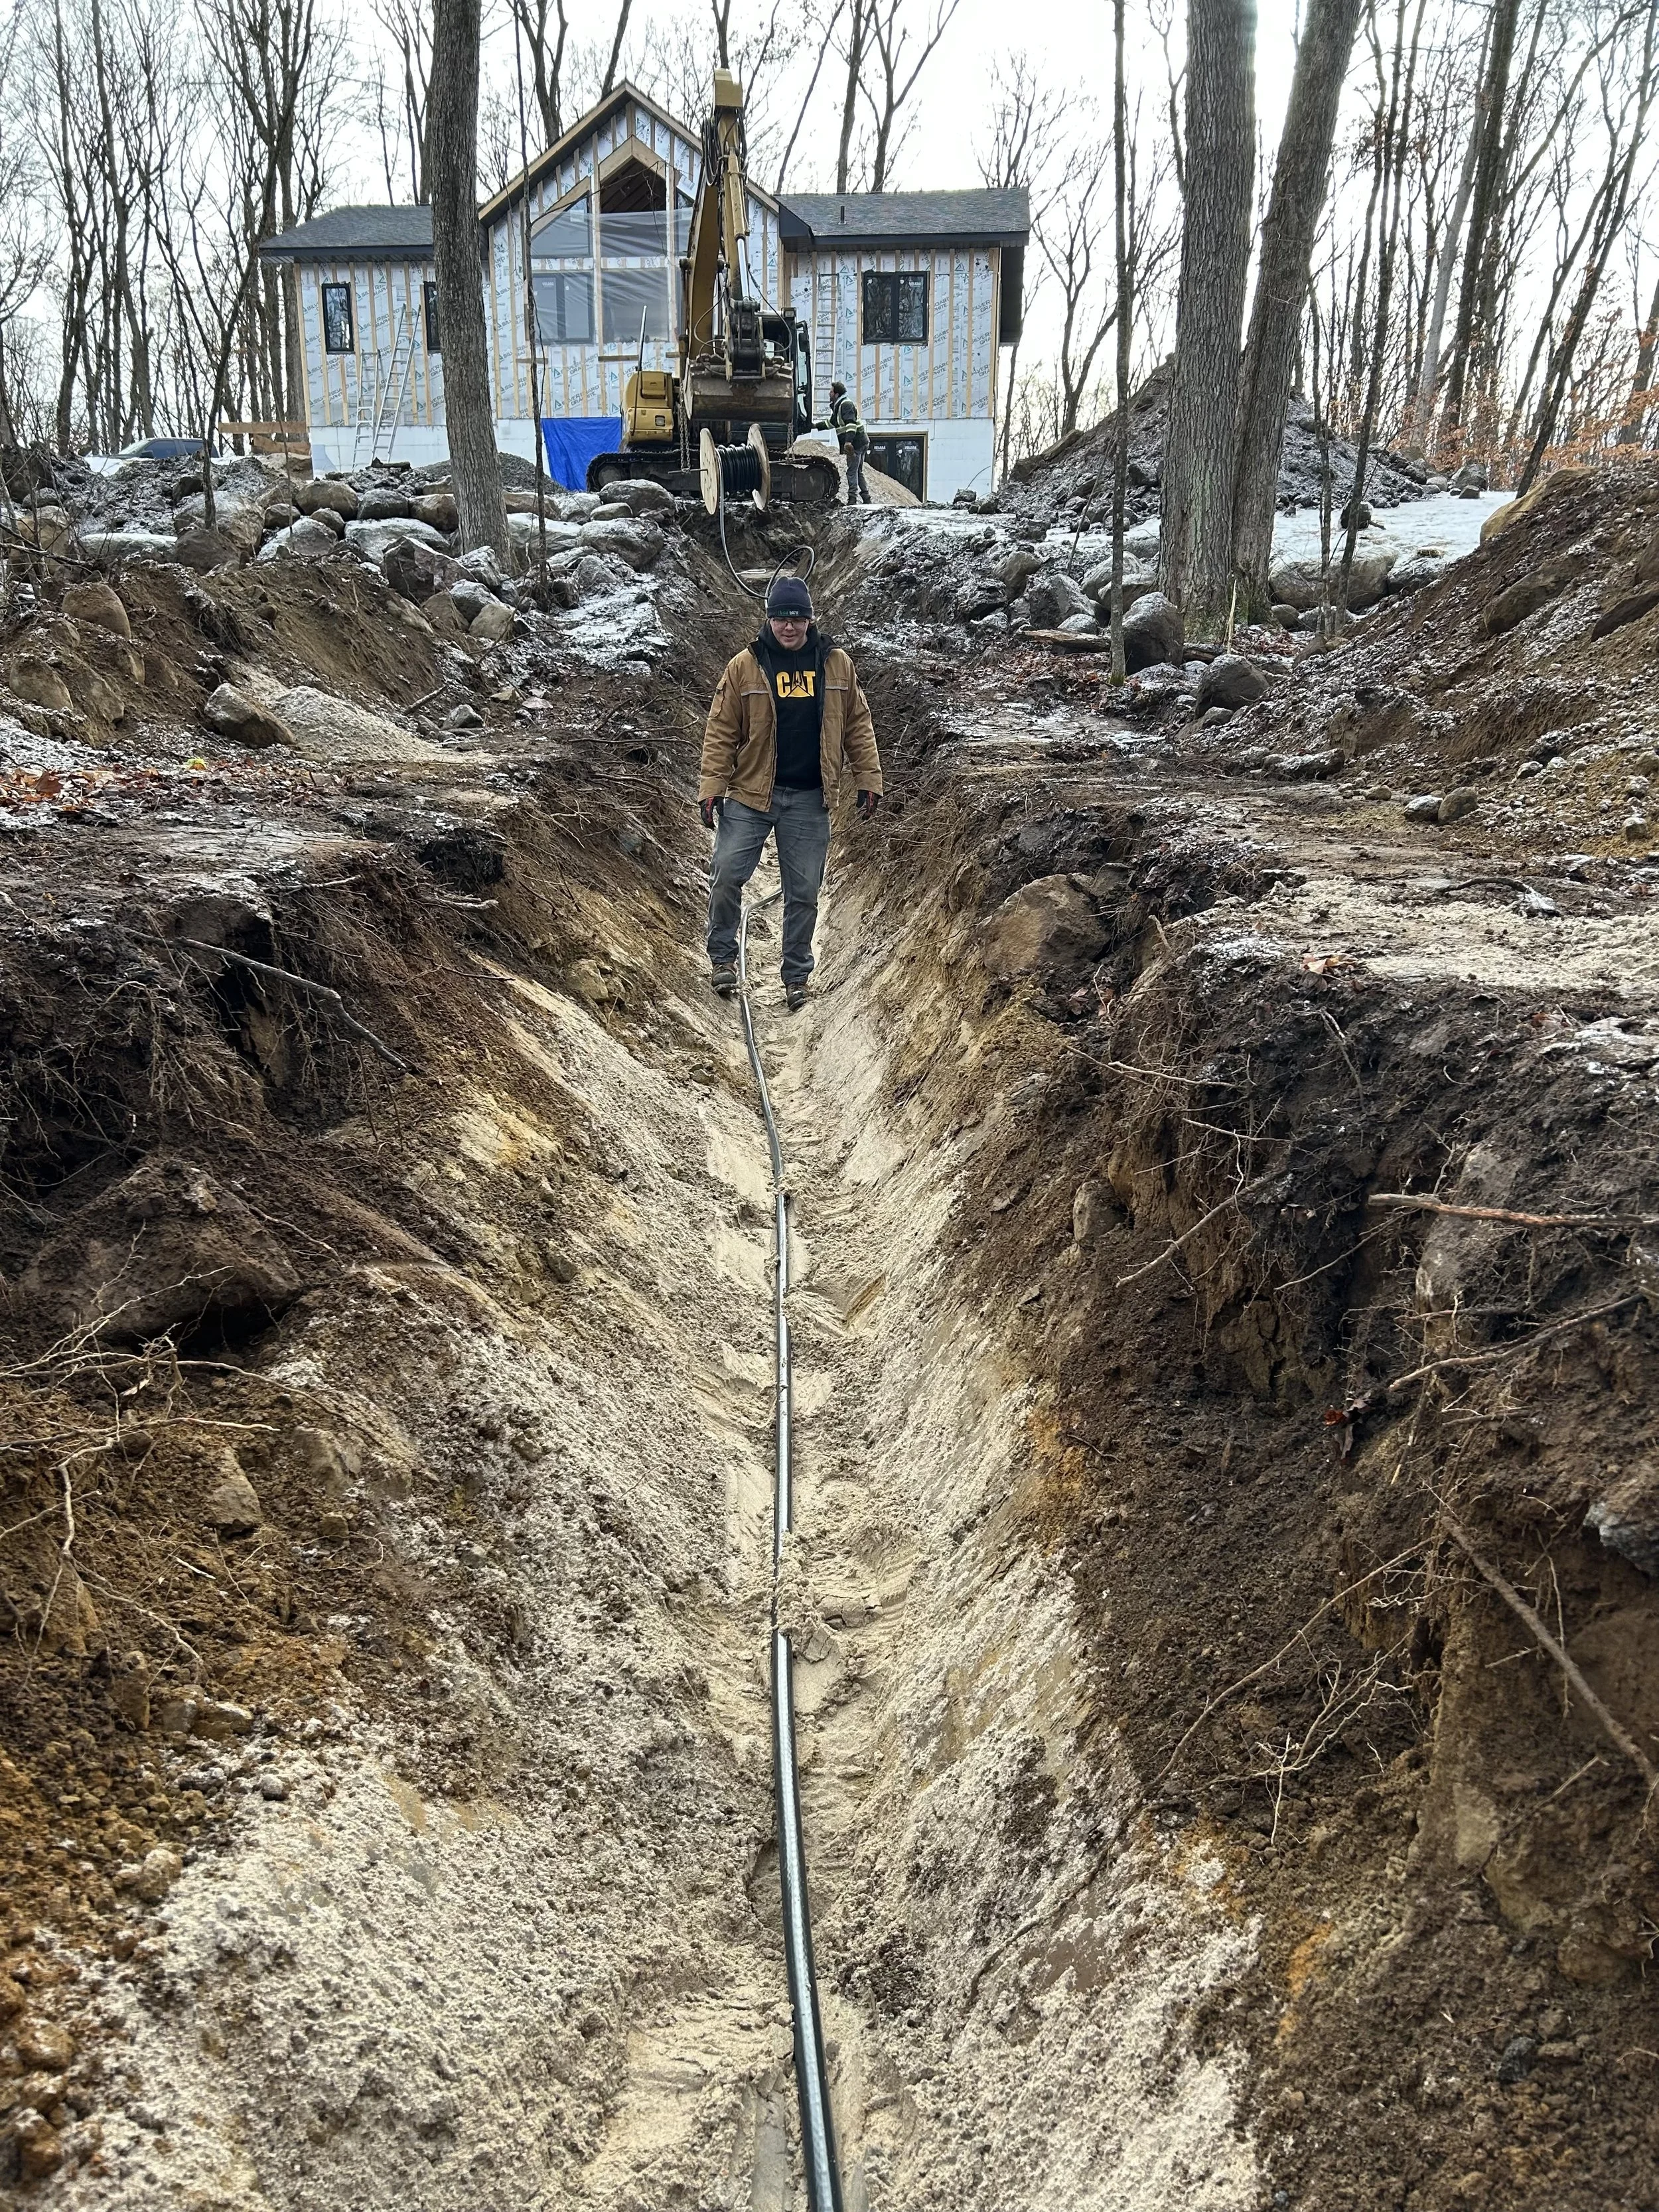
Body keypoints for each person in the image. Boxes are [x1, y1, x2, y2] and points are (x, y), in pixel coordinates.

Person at [699, 574, 882, 1011]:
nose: (789, 626)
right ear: (769, 619)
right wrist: (712, 788)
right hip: (751, 792)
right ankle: (723, 957)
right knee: (726, 874)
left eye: (797, 617)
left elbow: (858, 722)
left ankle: (796, 976)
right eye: (781, 617)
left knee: (803, 892)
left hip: (809, 797)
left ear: (810, 619)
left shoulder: (836, 663)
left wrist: (868, 778)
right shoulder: (745, 665)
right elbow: (721, 730)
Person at [822, 378, 871, 505]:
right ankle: (866, 498)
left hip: (856, 443)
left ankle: (852, 499)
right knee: (858, 471)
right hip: (861, 441)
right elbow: (831, 423)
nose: (829, 394)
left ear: (837, 394)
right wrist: (813, 426)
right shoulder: (839, 405)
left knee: (852, 471)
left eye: (831, 392)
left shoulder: (845, 405)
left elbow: (851, 424)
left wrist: (848, 442)